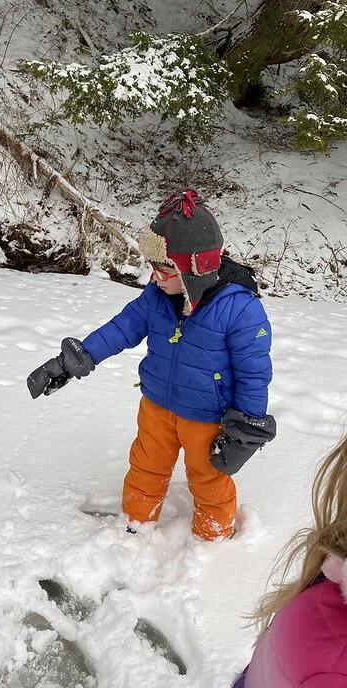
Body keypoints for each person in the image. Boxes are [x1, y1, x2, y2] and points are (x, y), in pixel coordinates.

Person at [27, 190, 276, 540]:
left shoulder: (239, 309)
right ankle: (136, 523)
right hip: (157, 405)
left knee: (208, 478)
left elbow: (254, 373)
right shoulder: (157, 297)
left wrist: (246, 429)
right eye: (154, 268)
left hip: (206, 418)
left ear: (194, 270)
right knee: (146, 466)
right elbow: (121, 329)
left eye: (163, 268)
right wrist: (71, 362)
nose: (154, 277)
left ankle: (215, 539)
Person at [226, 400, 347, 688]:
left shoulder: (331, 577)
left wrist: (249, 417)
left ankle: (211, 528)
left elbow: (250, 362)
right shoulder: (344, 676)